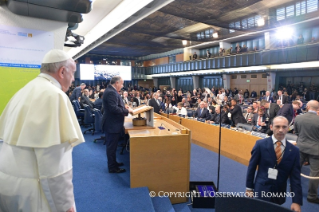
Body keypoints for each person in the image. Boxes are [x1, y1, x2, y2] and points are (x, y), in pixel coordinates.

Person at [0, 49, 84, 212]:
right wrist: (66, 205)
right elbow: (55, 165)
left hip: (7, 186)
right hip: (33, 194)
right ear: (62, 71)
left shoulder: (24, 90)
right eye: (72, 74)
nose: (73, 79)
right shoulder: (54, 96)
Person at [246, 116, 302, 211]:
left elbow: (295, 178)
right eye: (277, 126)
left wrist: (296, 201)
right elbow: (252, 167)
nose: (281, 130)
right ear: (271, 127)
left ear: (288, 128)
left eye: (284, 127)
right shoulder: (260, 145)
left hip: (279, 191)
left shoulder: (294, 151)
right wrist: (249, 187)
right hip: (261, 188)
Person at [102, 76, 133, 173]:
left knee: (113, 146)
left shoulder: (111, 90)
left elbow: (115, 105)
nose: (122, 86)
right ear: (117, 83)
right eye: (122, 83)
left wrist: (123, 106)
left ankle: (114, 162)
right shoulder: (111, 92)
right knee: (111, 147)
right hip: (112, 124)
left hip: (112, 123)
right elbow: (113, 109)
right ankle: (112, 167)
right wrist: (126, 110)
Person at [294, 100, 319, 204]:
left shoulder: (299, 118)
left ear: (307, 107)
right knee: (314, 174)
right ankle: (312, 196)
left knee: (296, 169)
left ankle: (293, 188)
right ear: (317, 109)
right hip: (316, 149)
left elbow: (297, 132)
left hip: (300, 147)